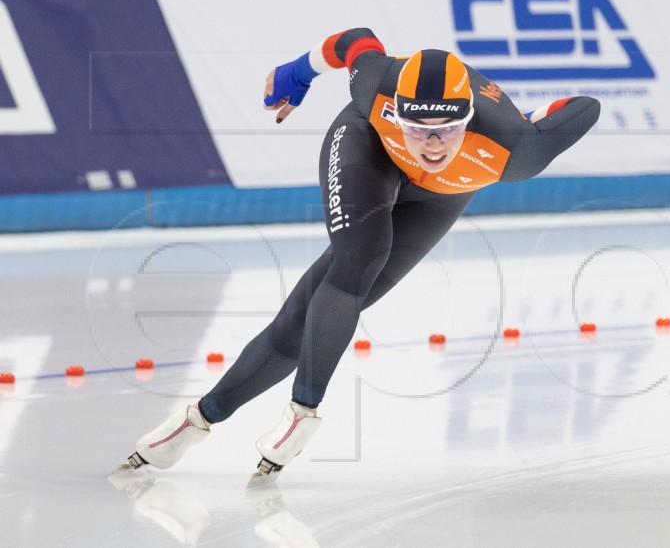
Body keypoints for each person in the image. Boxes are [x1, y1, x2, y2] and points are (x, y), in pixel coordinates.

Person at [114, 28, 600, 483]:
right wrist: (299, 72)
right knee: (359, 258)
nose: (431, 144)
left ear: (469, 119)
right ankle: (301, 415)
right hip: (369, 150)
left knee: (308, 317)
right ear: (396, 110)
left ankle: (196, 419)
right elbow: (354, 41)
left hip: (442, 197)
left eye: (447, 128)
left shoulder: (515, 151)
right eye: (416, 125)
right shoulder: (377, 87)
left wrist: (534, 122)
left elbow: (585, 106)